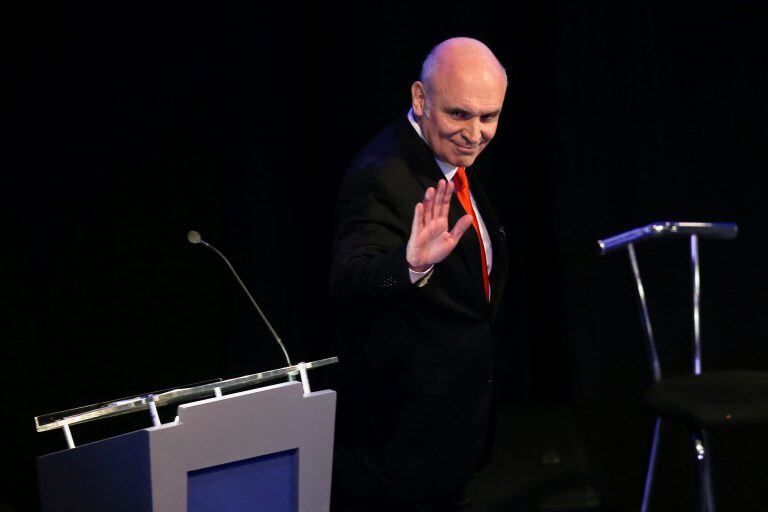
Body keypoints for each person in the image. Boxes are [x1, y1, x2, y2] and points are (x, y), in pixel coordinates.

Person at [330, 37, 509, 511]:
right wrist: (410, 266)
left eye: (488, 117)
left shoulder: (449, 159)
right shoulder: (381, 173)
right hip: (401, 449)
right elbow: (350, 280)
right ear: (420, 99)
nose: (475, 133)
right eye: (459, 115)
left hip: (454, 432)